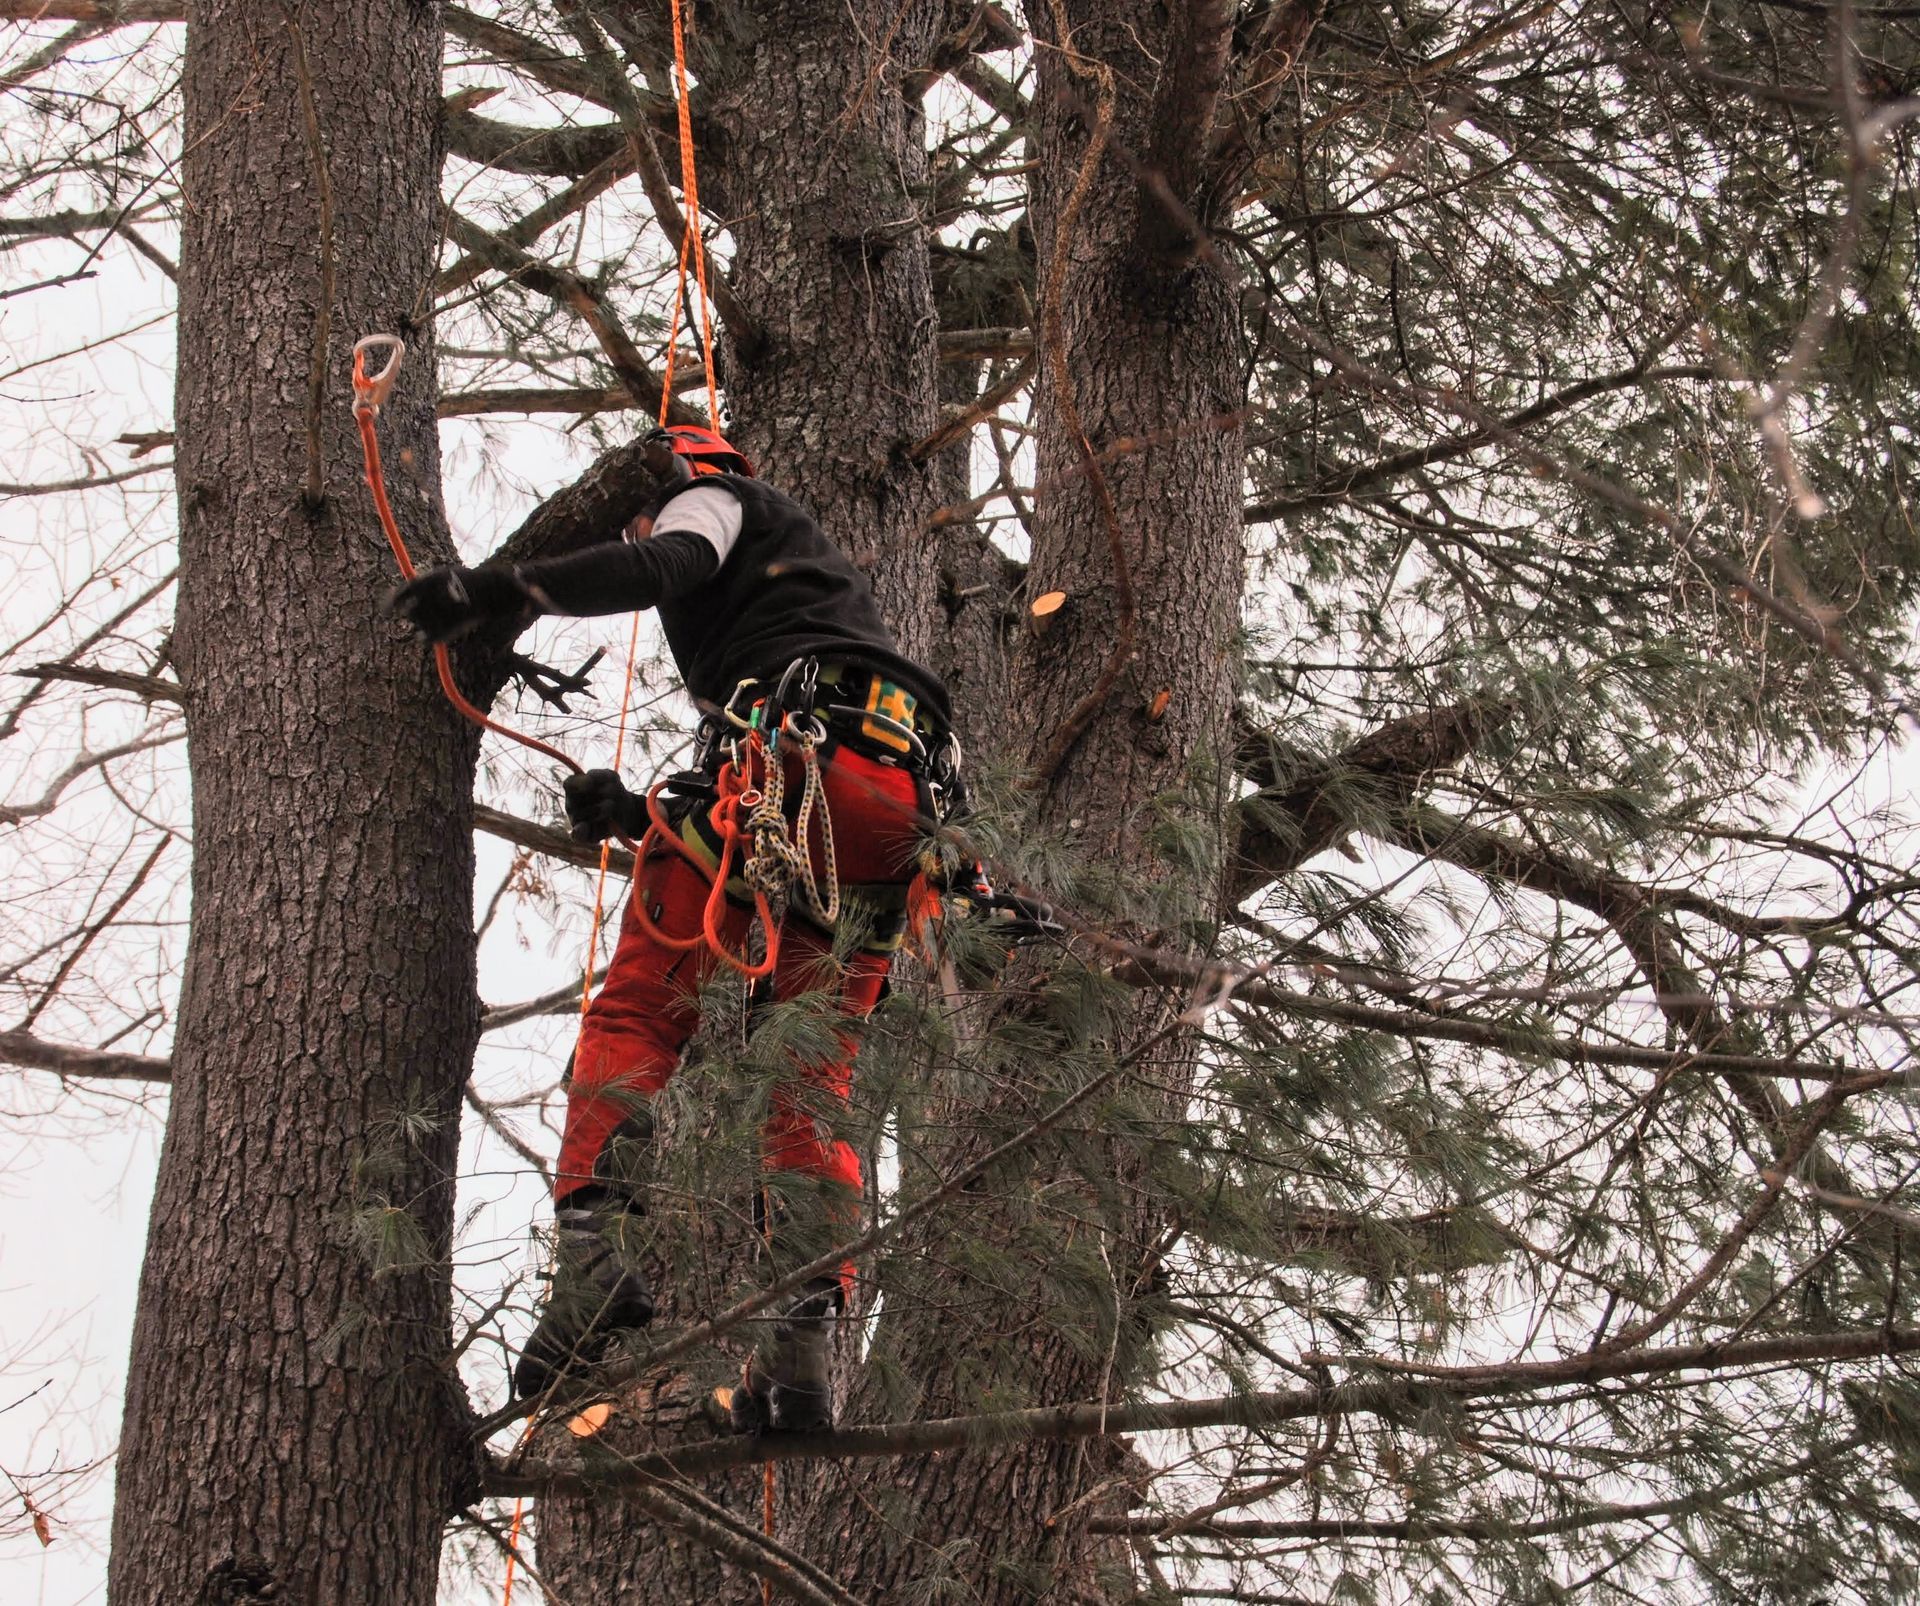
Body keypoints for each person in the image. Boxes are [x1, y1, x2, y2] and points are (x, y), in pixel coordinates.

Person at [391, 423, 959, 1427]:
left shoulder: (719, 497)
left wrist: (498, 587)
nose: (643, 527)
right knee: (810, 1078)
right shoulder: (818, 594)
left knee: (639, 1022)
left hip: (790, 773)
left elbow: (670, 559)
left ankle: (593, 1267)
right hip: (888, 814)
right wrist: (636, 814)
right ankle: (796, 1354)